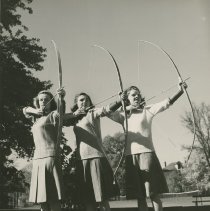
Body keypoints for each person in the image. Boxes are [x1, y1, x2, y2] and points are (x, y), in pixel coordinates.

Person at [108, 82, 187, 211]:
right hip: (130, 157)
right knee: (139, 196)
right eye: (133, 95)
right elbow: (107, 113)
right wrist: (118, 101)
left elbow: (166, 103)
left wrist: (180, 91)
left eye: (138, 95)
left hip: (147, 154)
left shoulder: (147, 110)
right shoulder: (123, 115)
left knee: (153, 193)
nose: (137, 97)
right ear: (127, 98)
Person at [66, 92, 125, 211]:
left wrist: (119, 100)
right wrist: (74, 114)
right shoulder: (74, 119)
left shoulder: (93, 113)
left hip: (96, 158)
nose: (84, 102)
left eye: (87, 100)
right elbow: (61, 121)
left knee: (101, 197)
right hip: (81, 161)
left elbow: (107, 109)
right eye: (81, 100)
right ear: (76, 103)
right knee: (87, 198)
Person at [23, 89, 72, 211]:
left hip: (50, 157)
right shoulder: (36, 118)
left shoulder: (53, 115)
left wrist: (61, 98)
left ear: (51, 102)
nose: (43, 101)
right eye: (40, 99)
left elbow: (60, 113)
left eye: (46, 99)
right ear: (37, 102)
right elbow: (25, 110)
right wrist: (36, 111)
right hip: (37, 159)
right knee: (42, 199)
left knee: (53, 197)